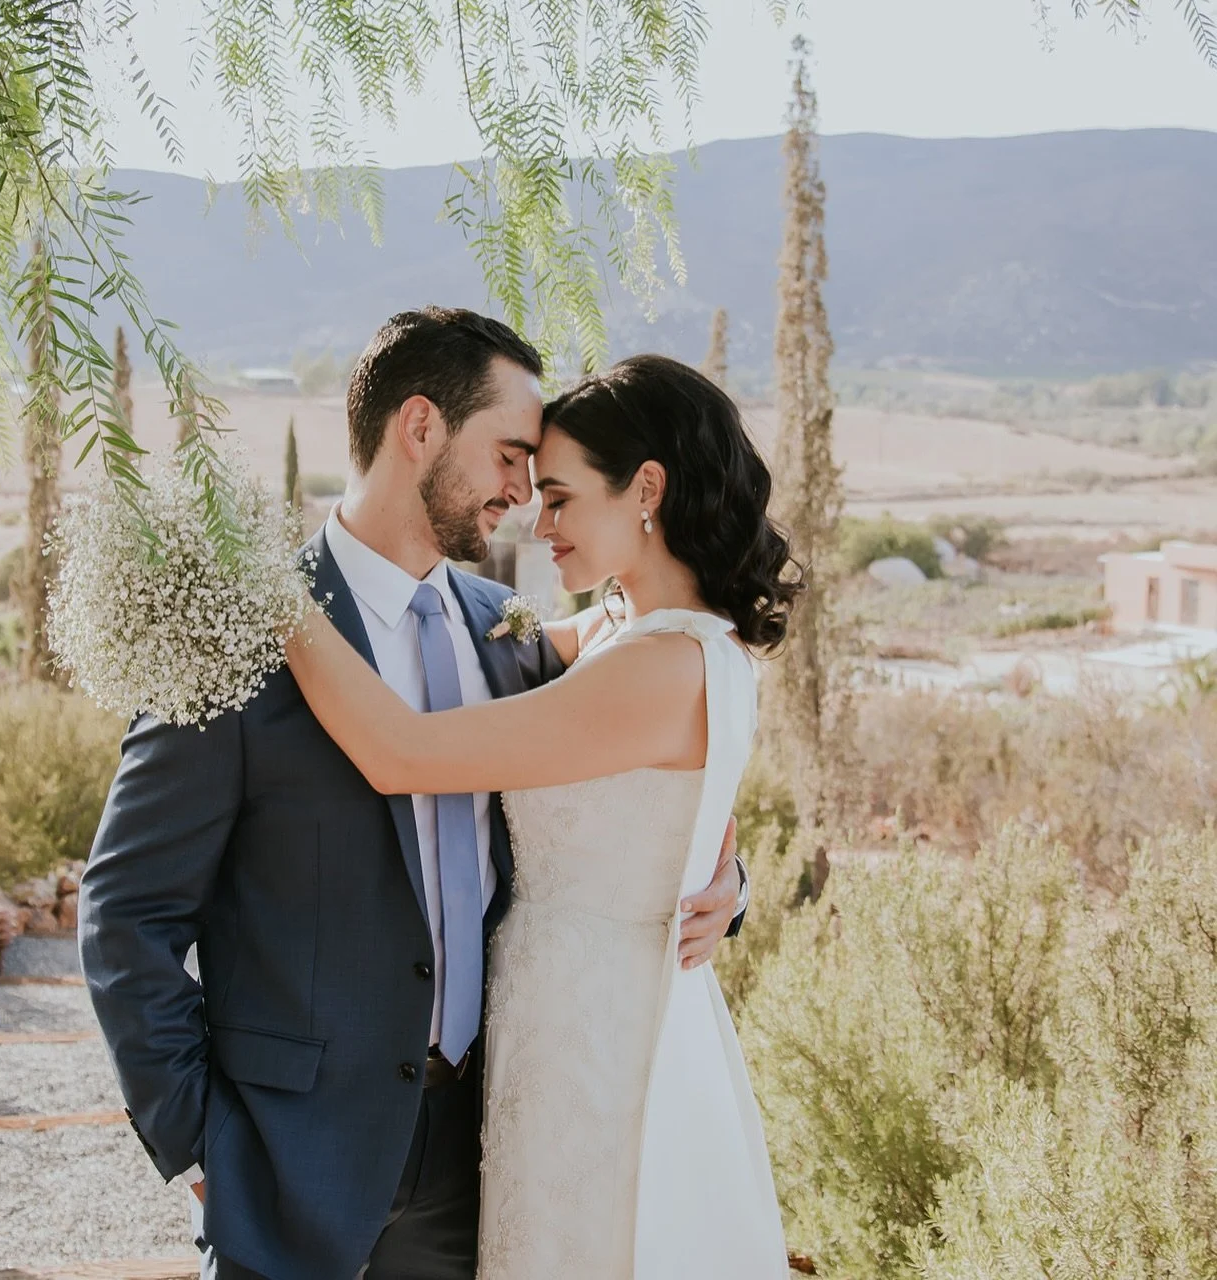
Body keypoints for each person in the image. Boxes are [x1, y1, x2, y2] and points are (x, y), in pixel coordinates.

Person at [78, 311, 746, 1280]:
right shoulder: (234, 635)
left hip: (487, 1161)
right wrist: (198, 1146)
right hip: (288, 1170)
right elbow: (124, 912)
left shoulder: (509, 634)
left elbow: (631, 785)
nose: (524, 494)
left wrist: (727, 879)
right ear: (420, 427)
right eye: (511, 455)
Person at [283, 353, 800, 1278]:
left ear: (646, 489)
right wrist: (727, 872)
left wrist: (267, 596)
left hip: (601, 1047)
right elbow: (662, 810)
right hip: (545, 1030)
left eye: (559, 497)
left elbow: (403, 753)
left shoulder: (667, 666)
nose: (537, 518)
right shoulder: (614, 630)